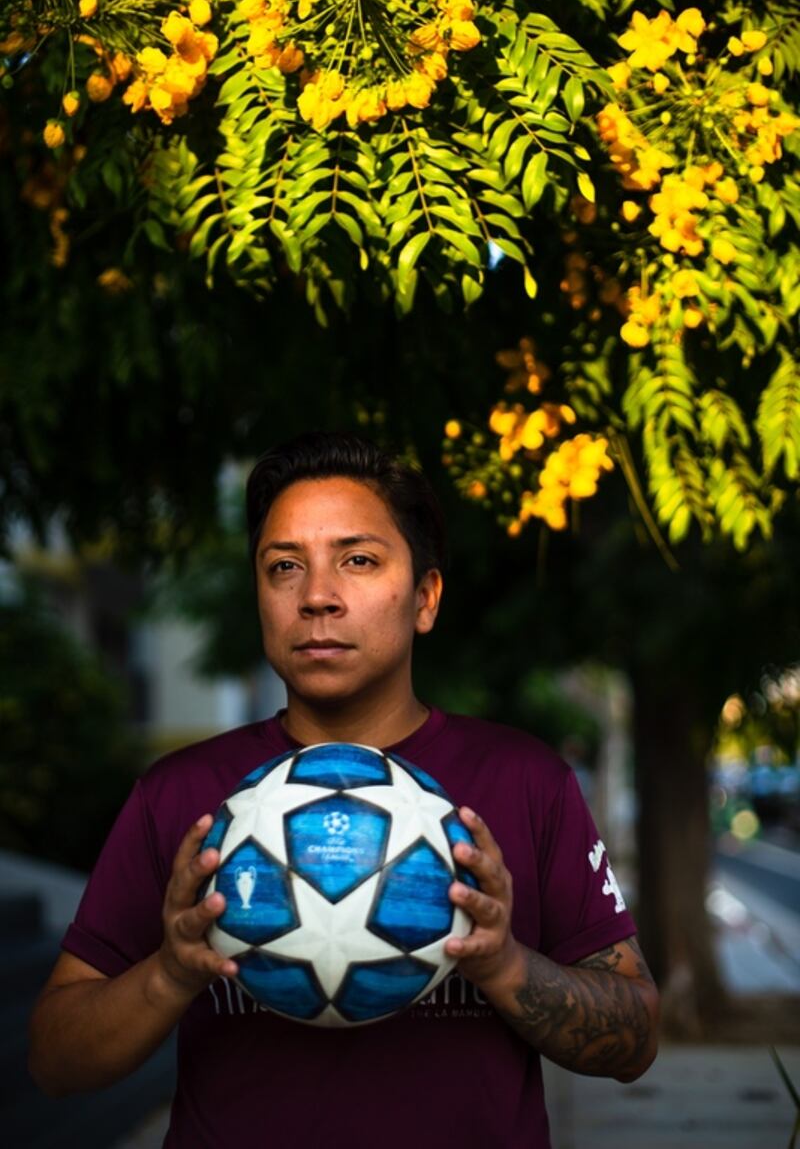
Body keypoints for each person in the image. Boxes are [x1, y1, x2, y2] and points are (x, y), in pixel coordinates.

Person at [29, 432, 659, 1148]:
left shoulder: (523, 780)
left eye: (358, 561)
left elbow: (635, 1041)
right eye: (283, 567)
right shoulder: (184, 795)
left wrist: (504, 963)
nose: (318, 597)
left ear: (425, 596)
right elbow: (53, 1063)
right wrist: (170, 972)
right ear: (260, 596)